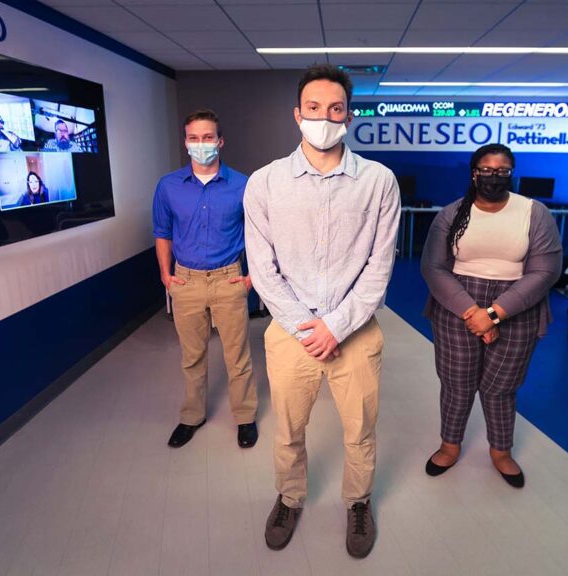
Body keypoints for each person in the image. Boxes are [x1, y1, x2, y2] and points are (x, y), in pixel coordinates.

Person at [244, 64, 399, 558]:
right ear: (297, 114)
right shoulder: (265, 183)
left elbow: (379, 266)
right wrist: (306, 328)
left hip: (356, 330)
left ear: (348, 117)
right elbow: (262, 269)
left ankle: (358, 501)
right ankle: (290, 497)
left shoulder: (379, 181)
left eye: (335, 109)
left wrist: (336, 326)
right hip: (291, 333)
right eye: (313, 108)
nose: (324, 118)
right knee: (288, 430)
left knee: (360, 431)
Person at [420, 143, 562, 489]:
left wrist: (495, 314)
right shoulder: (452, 214)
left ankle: (500, 451)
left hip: (517, 304)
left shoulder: (534, 212)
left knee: (501, 386)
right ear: (474, 173)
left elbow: (545, 271)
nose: (494, 176)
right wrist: (473, 312)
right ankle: (449, 446)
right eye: (486, 170)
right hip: (458, 303)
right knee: (456, 383)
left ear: (511, 174)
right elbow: (433, 267)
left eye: (502, 171)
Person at [153, 109, 258, 450]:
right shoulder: (168, 186)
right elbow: (162, 233)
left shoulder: (243, 185)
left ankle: (244, 417)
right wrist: (166, 276)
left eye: (208, 137)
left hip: (229, 280)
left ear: (220, 141)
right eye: (194, 138)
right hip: (186, 282)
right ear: (185, 142)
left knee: (237, 357)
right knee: (192, 356)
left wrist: (251, 277)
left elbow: (258, 234)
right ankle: (192, 416)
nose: (201, 144)